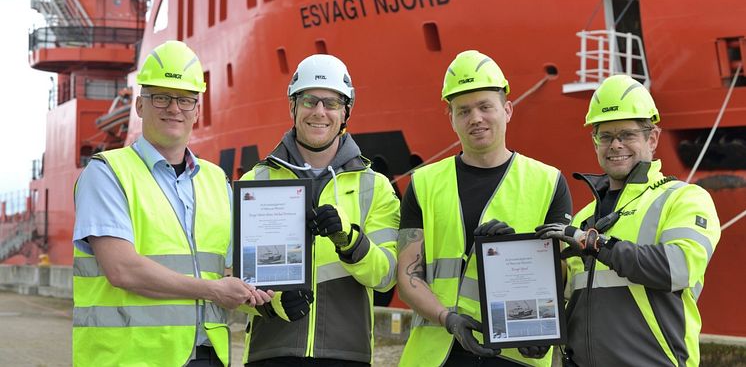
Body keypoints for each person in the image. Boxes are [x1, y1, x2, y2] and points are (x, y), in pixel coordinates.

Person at [72, 40, 272, 367]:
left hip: (208, 354)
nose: (174, 108)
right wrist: (213, 290)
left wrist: (270, 293)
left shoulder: (216, 180)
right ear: (139, 105)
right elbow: (121, 269)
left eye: (184, 99)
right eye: (161, 97)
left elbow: (237, 271)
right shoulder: (107, 173)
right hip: (131, 357)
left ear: (197, 109)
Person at [397, 50, 573, 366]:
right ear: (450, 117)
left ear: (507, 110)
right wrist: (446, 318)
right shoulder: (423, 184)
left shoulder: (548, 182)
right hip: (438, 352)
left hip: (515, 354)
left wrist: (545, 329)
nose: (475, 118)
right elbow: (408, 274)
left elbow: (561, 275)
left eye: (485, 107)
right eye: (463, 110)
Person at [536, 74, 721, 366]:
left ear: (652, 138)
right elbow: (567, 297)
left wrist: (595, 243)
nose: (616, 145)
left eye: (627, 135)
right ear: (595, 141)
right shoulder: (584, 217)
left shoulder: (683, 199)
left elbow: (678, 268)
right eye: (606, 136)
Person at [239, 54, 400, 366]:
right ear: (293, 107)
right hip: (271, 352)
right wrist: (271, 305)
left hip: (345, 353)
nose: (320, 112)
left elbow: (387, 276)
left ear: (345, 112)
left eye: (331, 103)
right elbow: (233, 277)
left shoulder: (374, 186)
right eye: (309, 101)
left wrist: (350, 241)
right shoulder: (256, 181)